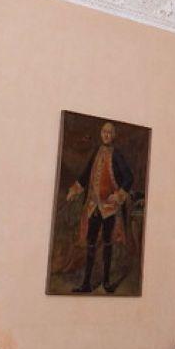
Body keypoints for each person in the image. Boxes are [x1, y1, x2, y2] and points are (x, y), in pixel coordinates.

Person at [66, 122, 134, 292]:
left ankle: (106, 282)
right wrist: (74, 189)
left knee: (107, 242)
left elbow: (129, 177)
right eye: (104, 132)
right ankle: (86, 284)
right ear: (101, 133)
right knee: (90, 242)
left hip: (109, 208)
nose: (106, 135)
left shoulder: (117, 154)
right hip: (93, 206)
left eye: (110, 132)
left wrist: (118, 195)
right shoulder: (96, 152)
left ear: (114, 135)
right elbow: (86, 173)